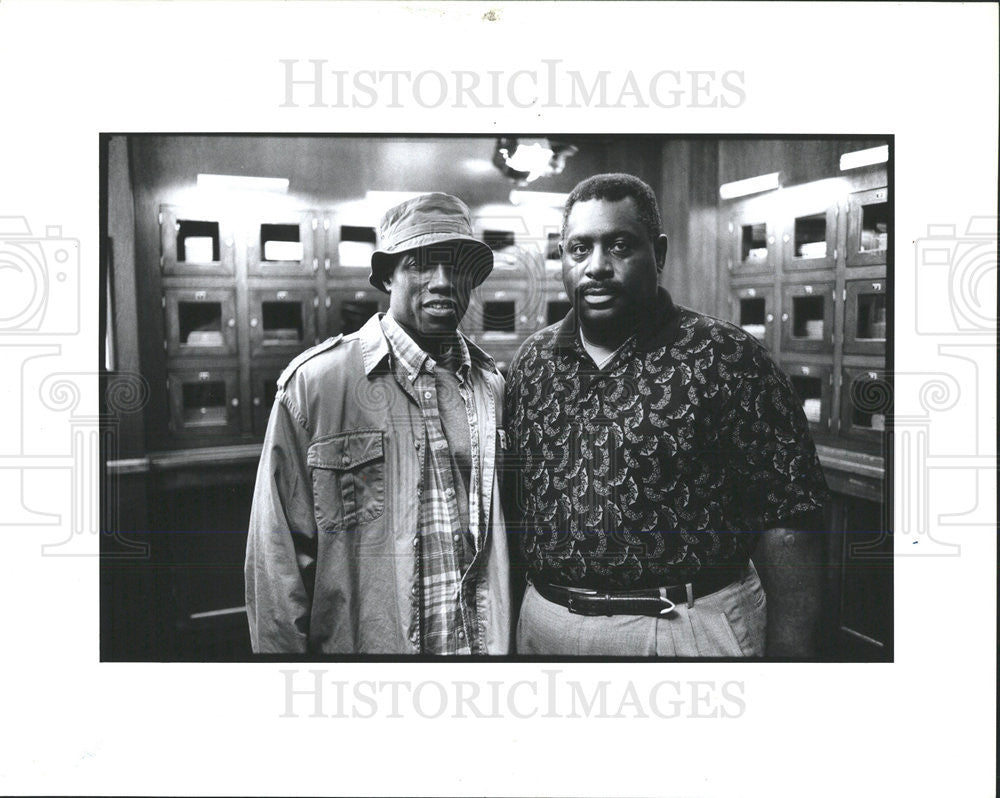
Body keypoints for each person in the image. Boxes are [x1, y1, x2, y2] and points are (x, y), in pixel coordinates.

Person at [503, 173, 829, 657]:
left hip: (683, 628)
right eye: (579, 249)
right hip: (548, 626)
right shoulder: (532, 362)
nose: (596, 267)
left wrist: (790, 659)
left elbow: (792, 519)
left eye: (618, 246)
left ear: (658, 253)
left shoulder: (726, 357)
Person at [246, 192, 511, 654]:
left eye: (456, 267)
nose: (443, 282)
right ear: (388, 275)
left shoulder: (492, 385)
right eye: (420, 263)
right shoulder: (317, 385)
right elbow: (275, 561)